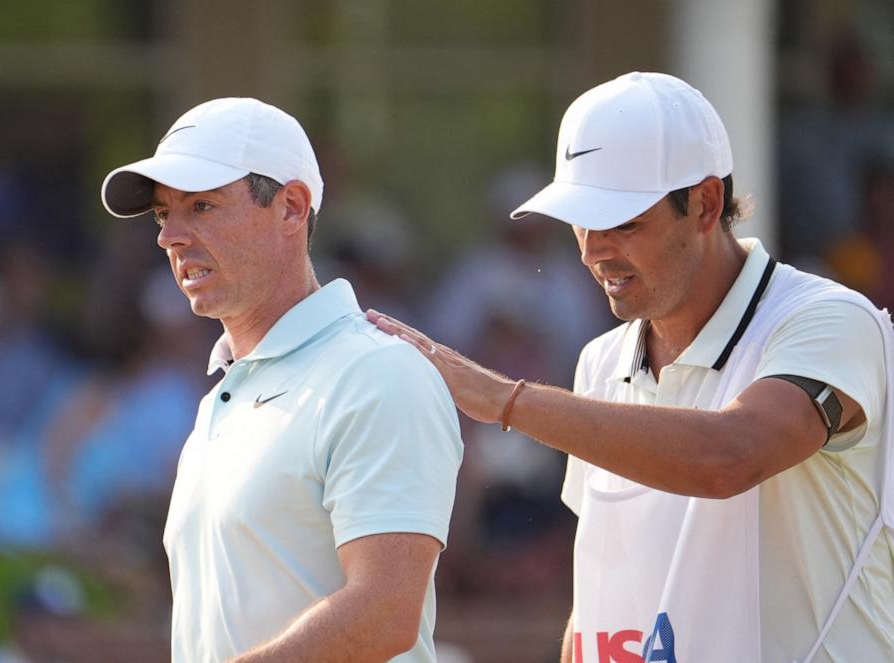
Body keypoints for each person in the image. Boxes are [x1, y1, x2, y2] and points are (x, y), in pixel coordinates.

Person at [368, 72, 894, 662]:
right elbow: (601, 586)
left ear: (706, 204)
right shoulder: (601, 360)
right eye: (580, 221)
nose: (593, 250)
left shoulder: (831, 321)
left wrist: (503, 400)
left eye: (623, 222)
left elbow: (728, 457)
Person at [100, 98, 462, 663]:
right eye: (162, 213)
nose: (169, 235)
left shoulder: (378, 372)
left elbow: (386, 612)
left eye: (201, 205)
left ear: (292, 208)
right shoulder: (226, 393)